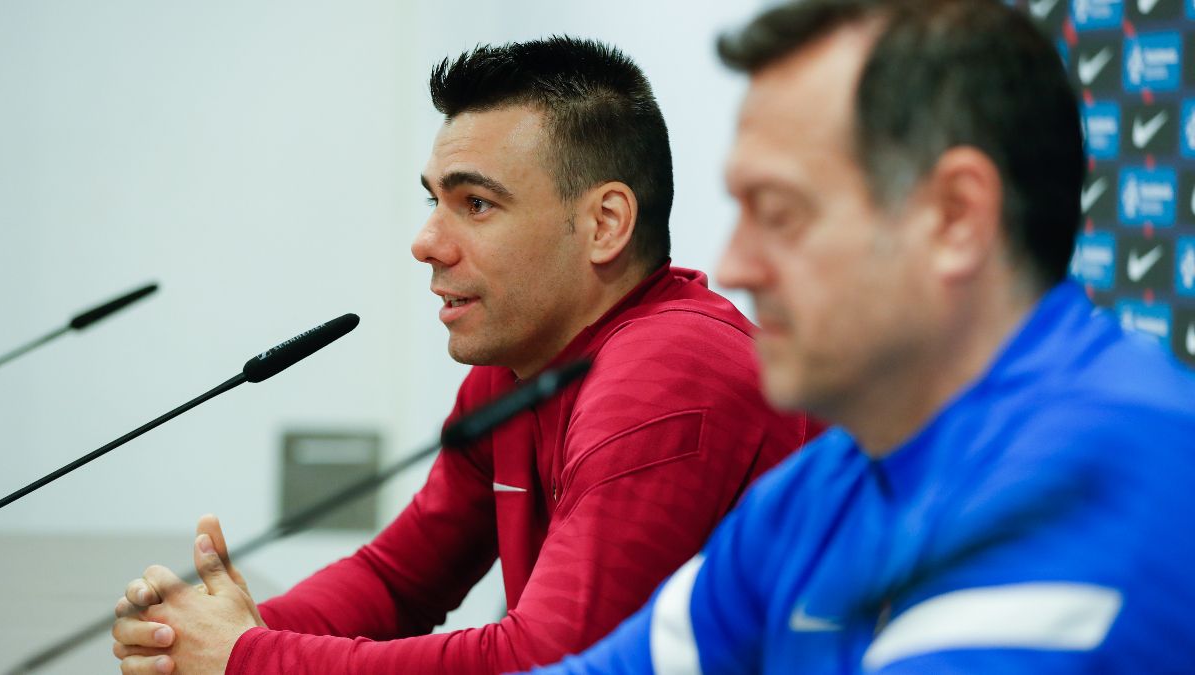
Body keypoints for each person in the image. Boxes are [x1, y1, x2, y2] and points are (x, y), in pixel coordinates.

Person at [109, 37, 821, 675]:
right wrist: (203, 635)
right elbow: (398, 579)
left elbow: (548, 662)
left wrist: (250, 657)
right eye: (433, 200)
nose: (427, 241)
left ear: (605, 223)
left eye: (475, 204)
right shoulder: (516, 370)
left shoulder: (672, 367)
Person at [530, 1, 1195, 673]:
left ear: (955, 217)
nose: (734, 264)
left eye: (779, 213)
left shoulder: (1102, 474)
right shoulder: (817, 492)